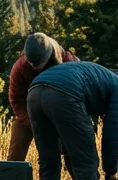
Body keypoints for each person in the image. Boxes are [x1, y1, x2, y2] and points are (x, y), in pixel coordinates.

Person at [7, 33, 77, 161]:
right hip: (29, 114)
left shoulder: (69, 63)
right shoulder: (19, 68)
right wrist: (34, 124)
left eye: (38, 64)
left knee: (73, 146)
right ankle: (11, 177)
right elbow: (16, 101)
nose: (34, 67)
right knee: (17, 145)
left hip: (60, 112)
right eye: (31, 64)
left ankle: (78, 179)